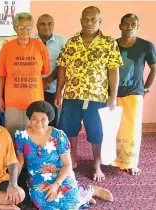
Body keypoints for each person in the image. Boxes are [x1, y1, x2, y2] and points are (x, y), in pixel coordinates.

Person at [55, 6, 123, 181]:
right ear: (81, 21)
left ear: (100, 21)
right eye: (86, 19)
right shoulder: (71, 42)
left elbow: (113, 70)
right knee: (69, 129)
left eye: (94, 19)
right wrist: (58, 92)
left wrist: (112, 96)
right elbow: (62, 67)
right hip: (72, 95)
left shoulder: (109, 43)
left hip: (97, 96)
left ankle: (97, 164)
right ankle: (73, 159)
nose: (89, 23)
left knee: (97, 132)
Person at [14, 101, 114, 209]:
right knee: (41, 201)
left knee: (71, 198)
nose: (39, 123)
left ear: (49, 120)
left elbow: (67, 164)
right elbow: (19, 161)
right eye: (34, 119)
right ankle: (82, 195)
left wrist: (56, 184)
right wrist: (13, 183)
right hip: (37, 175)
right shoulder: (21, 135)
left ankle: (89, 190)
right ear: (29, 118)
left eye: (43, 119)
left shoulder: (58, 135)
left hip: (61, 173)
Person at [112, 13, 156, 175]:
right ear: (120, 26)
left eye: (133, 24)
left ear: (137, 27)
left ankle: (130, 162)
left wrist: (146, 88)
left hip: (134, 93)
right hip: (114, 94)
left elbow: (154, 68)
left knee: (131, 129)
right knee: (114, 129)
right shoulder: (113, 45)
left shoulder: (146, 46)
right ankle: (113, 159)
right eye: (126, 24)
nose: (129, 27)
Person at [0, 12, 51, 136]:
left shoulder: (40, 47)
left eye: (28, 27)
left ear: (32, 28)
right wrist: (0, 98)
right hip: (12, 101)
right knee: (12, 136)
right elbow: (1, 75)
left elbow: (45, 72)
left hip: (35, 102)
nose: (24, 30)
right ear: (15, 28)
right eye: (21, 27)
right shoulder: (7, 47)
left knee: (33, 136)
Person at [34, 14, 66, 127]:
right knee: (34, 118)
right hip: (33, 88)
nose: (46, 27)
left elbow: (62, 66)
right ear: (37, 26)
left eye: (49, 24)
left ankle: (51, 143)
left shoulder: (62, 42)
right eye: (42, 24)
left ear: (53, 25)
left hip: (52, 88)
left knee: (51, 120)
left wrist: (47, 81)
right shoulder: (31, 41)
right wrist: (39, 82)